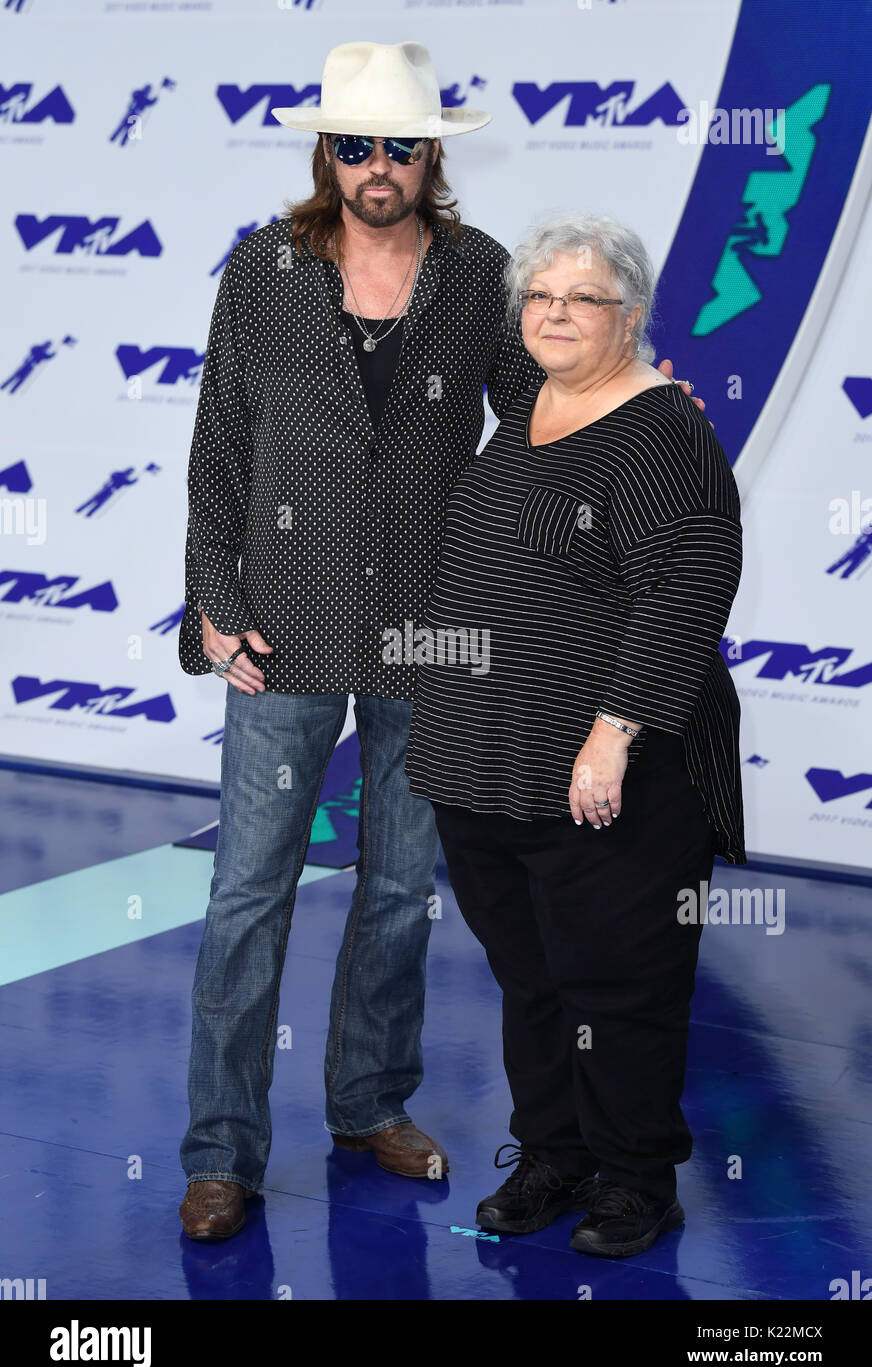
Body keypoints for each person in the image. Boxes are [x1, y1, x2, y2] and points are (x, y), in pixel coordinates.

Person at [177, 39, 702, 1243]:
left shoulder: (477, 275)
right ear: (327, 152)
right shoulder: (260, 271)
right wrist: (211, 600)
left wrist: (640, 394)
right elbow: (217, 446)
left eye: (398, 146)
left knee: (404, 888)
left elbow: (544, 405)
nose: (376, 166)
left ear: (430, 157)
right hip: (282, 626)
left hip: (435, 632)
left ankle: (369, 1102)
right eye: (355, 145)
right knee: (247, 893)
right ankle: (220, 1152)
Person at [404, 213, 745, 1259]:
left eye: (581, 298)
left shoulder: (656, 428)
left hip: (608, 770)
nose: (554, 313)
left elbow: (689, 588)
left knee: (620, 983)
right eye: (539, 297)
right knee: (532, 977)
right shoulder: (527, 405)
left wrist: (610, 735)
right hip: (485, 764)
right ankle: (552, 1154)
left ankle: (635, 1179)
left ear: (630, 318)